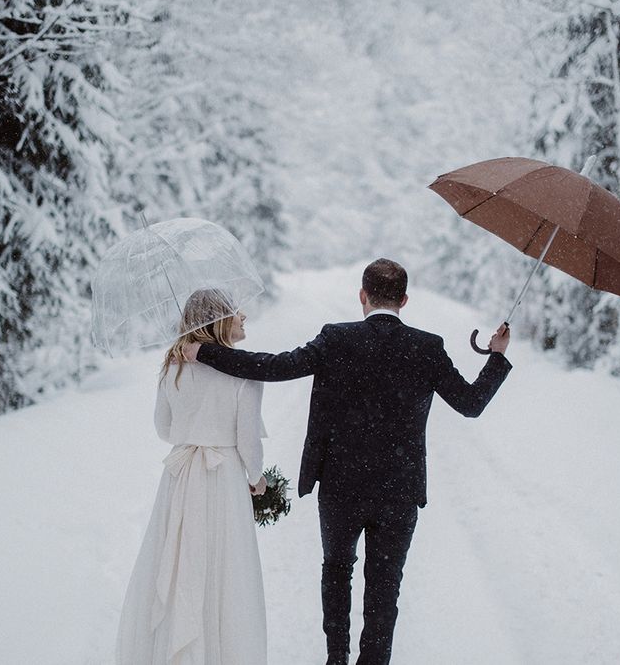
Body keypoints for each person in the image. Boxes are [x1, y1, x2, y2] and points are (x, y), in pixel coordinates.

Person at [184, 259, 512, 665]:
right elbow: (471, 403)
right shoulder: (428, 347)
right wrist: (496, 357)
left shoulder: (336, 339)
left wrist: (207, 352)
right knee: (384, 590)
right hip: (399, 493)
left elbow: (273, 367)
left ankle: (336, 658)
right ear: (404, 300)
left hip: (341, 488)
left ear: (362, 295)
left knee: (336, 573)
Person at [116, 289, 269, 665]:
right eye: (236, 312)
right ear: (218, 321)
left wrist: (195, 429)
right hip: (224, 478)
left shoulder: (172, 368)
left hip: (181, 476)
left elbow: (163, 428)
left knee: (178, 562)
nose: (244, 316)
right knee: (223, 571)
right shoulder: (243, 371)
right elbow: (247, 438)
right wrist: (258, 478)